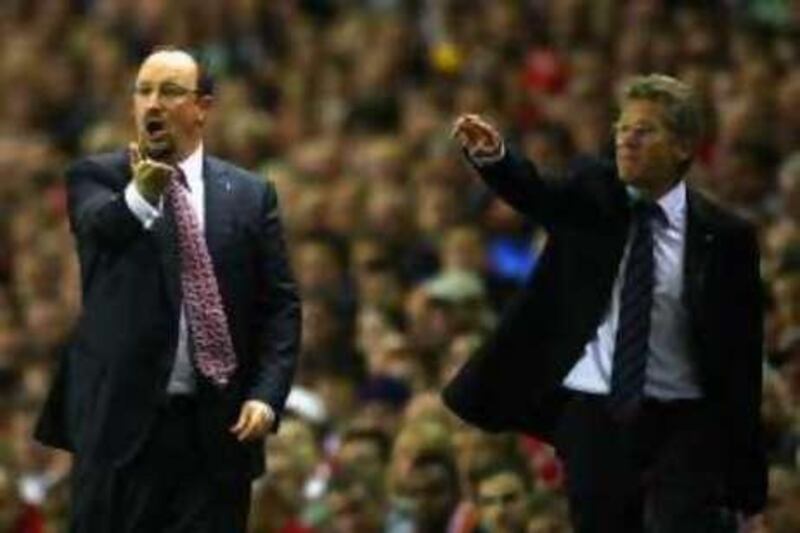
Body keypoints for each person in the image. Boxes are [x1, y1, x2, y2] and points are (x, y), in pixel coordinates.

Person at [444, 74, 766, 532]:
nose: (627, 140)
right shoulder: (594, 196)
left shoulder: (726, 237)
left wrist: (748, 477)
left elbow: (741, 355)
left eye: (645, 130)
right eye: (622, 129)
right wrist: (497, 159)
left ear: (683, 147)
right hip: (597, 411)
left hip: (685, 419)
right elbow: (540, 194)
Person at [34, 47, 301, 532]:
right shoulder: (97, 176)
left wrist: (266, 395)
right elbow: (102, 231)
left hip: (216, 435)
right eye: (144, 91)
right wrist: (143, 194)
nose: (153, 103)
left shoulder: (249, 194)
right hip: (119, 433)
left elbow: (280, 305)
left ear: (203, 107)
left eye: (171, 91)